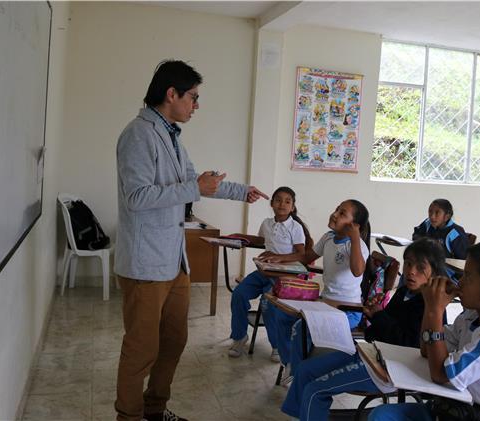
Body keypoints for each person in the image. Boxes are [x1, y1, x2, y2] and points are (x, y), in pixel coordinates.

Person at [114, 60, 268, 421]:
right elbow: (136, 197)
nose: (196, 106)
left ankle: (155, 410)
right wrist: (193, 187)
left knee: (174, 341)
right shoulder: (138, 134)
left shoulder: (170, 136)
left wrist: (240, 191)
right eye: (193, 98)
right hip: (145, 265)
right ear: (172, 94)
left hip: (172, 261)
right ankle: (129, 416)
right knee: (141, 349)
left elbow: (194, 181)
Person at [281, 238, 448, 421]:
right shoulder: (403, 292)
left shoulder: (432, 308)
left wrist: (379, 316)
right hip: (371, 353)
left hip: (390, 370)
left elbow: (409, 345)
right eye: (408, 264)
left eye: (420, 268)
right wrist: (372, 314)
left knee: (316, 390)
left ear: (435, 274)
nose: (411, 271)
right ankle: (302, 416)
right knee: (305, 370)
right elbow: (385, 327)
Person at [369, 240, 480, 421]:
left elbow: (440, 374)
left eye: (468, 277)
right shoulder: (471, 315)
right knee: (382, 416)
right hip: (458, 408)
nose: (459, 282)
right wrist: (430, 305)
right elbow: (426, 349)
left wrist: (435, 310)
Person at [267, 199, 371, 379]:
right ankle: (291, 365)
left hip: (347, 311)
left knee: (301, 327)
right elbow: (307, 257)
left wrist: (355, 237)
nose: (335, 214)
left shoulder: (358, 245)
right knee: (281, 314)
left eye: (342, 213)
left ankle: (299, 374)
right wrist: (280, 258)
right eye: (337, 209)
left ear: (355, 225)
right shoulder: (329, 237)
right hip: (325, 303)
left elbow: (357, 270)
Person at [228, 186, 313, 361]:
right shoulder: (266, 223)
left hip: (284, 277)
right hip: (263, 272)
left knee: (268, 305)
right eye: (278, 200)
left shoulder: (295, 227)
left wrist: (278, 257)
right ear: (271, 203)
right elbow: (262, 243)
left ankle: (276, 346)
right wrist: (238, 240)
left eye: (287, 201)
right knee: (239, 294)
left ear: (293, 206)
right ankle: (239, 337)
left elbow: (301, 255)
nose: (282, 204)